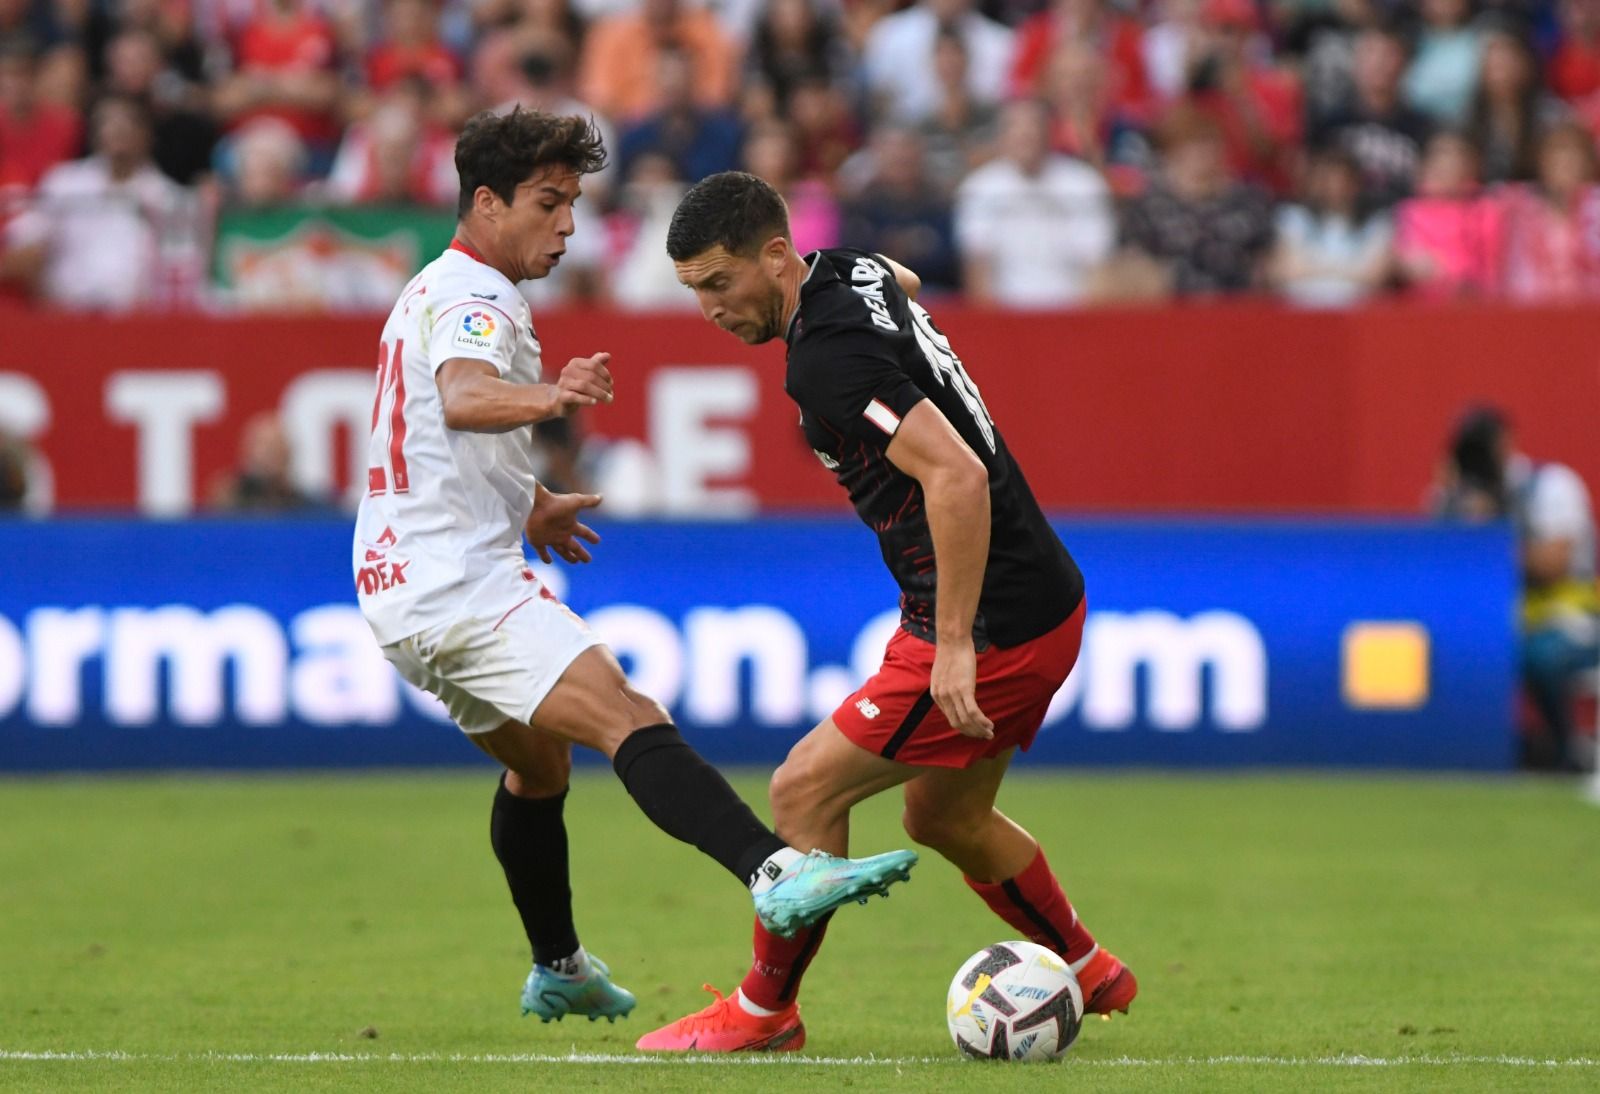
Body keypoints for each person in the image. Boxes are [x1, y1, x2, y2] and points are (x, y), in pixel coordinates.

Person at [352, 109, 917, 1027]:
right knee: (627, 713)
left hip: (398, 586)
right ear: (487, 203)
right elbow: (459, 397)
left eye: (573, 202)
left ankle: (561, 968)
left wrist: (529, 500)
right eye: (548, 202)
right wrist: (553, 393)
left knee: (540, 769)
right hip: (455, 585)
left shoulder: (431, 288)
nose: (567, 225)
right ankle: (774, 870)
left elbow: (423, 434)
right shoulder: (477, 297)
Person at [642, 170, 1136, 1052]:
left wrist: (955, 645)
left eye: (720, 282)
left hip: (992, 622)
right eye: (695, 291)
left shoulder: (825, 361)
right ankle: (1089, 968)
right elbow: (898, 281)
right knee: (943, 817)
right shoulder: (849, 270)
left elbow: (958, 476)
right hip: (1043, 596)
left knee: (801, 789)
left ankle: (763, 1013)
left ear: (776, 257)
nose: (711, 308)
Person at [1433, 407, 1599, 771]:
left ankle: (1567, 748)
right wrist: (1448, 510)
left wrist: (1490, 532)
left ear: (1506, 443)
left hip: (1571, 622)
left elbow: (1553, 564)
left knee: (1541, 655)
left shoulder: (1551, 486)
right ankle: (1467, 754)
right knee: (1446, 655)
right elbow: (1438, 566)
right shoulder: (1456, 498)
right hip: (1498, 626)